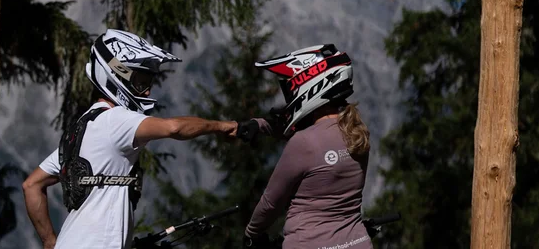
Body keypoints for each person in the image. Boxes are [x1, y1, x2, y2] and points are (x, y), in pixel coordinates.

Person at [22, 29, 256, 249]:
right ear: (115, 73)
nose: (147, 92)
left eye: (148, 83)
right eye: (140, 83)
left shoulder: (82, 128)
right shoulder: (115, 120)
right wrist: (222, 126)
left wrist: (51, 242)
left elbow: (32, 185)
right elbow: (174, 128)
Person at [243, 44, 372, 249]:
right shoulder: (357, 131)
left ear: (310, 84)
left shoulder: (304, 143)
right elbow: (318, 144)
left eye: (290, 88)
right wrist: (261, 125)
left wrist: (252, 234)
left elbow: (271, 203)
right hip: (358, 242)